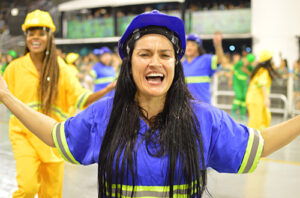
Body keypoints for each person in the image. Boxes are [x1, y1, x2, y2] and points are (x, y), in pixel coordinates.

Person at [1, 10, 300, 198]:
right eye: (144, 54)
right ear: (129, 62)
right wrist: (7, 97)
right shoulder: (106, 114)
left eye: (165, 55)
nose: (155, 62)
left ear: (176, 64)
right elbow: (56, 135)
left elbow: (258, 145)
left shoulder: (204, 119)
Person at [2, 9, 115, 198]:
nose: (35, 38)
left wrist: (106, 89)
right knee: (27, 188)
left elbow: (82, 98)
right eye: (31, 33)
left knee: (52, 194)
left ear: (49, 37)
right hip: (23, 137)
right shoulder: (14, 69)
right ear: (26, 37)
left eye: (40, 33)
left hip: (52, 138)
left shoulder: (62, 69)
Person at [182, 33, 224, 104]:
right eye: (187, 44)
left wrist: (218, 45)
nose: (189, 47)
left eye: (193, 45)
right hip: (187, 106)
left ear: (199, 47)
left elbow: (219, 60)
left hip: (203, 105)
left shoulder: (206, 59)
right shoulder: (183, 64)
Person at [246, 50, 279, 130]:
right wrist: (266, 98)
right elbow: (262, 84)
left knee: (264, 119)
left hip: (256, 99)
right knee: (255, 123)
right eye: (272, 59)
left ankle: (260, 139)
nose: (273, 61)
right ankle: (252, 141)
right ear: (268, 61)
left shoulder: (260, 70)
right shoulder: (263, 71)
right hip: (256, 99)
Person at [231, 53, 255, 121]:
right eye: (247, 61)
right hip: (236, 82)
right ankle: (234, 110)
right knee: (239, 96)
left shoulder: (250, 67)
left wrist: (246, 71)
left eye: (249, 62)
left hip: (244, 83)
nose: (246, 63)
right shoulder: (239, 63)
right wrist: (230, 79)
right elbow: (232, 69)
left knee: (244, 98)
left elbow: (252, 75)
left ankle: (242, 114)